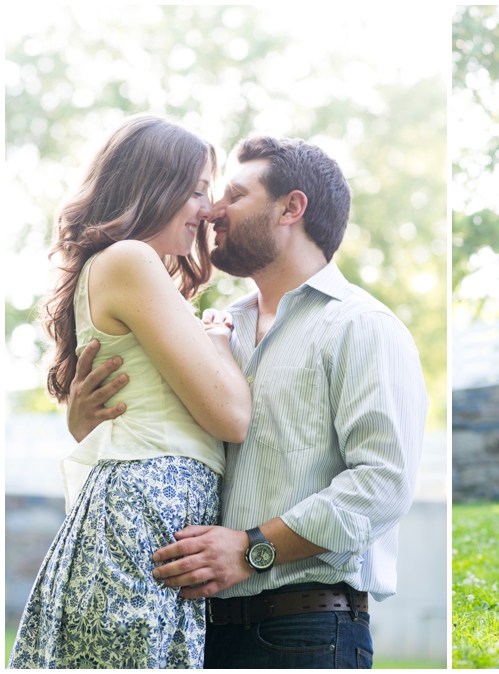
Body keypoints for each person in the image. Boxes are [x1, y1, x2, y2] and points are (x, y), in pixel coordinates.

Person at [66, 135, 429, 668]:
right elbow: (150, 429)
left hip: (306, 629)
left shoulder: (363, 326)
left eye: (234, 195)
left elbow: (382, 484)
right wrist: (82, 421)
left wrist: (252, 549)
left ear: (291, 208)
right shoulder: (213, 329)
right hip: (195, 626)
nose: (212, 210)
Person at [9, 115, 252, 668]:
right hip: (141, 514)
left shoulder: (136, 270)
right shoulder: (129, 259)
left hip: (151, 512)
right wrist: (217, 341)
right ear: (151, 186)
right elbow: (232, 416)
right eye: (194, 191)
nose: (207, 209)